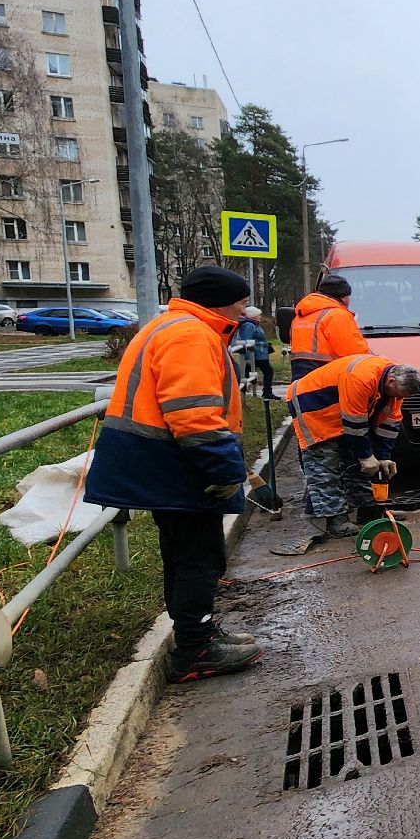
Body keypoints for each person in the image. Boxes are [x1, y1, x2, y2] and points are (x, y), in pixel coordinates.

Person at [85, 266, 265, 683]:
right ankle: (196, 650)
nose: (245, 309)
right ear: (220, 300)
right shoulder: (191, 335)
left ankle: (197, 633)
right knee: (197, 556)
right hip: (174, 463)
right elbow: (193, 414)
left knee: (187, 553)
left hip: (159, 460)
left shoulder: (171, 326)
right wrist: (223, 469)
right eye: (241, 300)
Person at [272, 354, 420, 556]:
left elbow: (389, 425)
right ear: (391, 380)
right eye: (396, 393)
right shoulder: (361, 377)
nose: (397, 398)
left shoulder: (395, 389)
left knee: (360, 465)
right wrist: (365, 455)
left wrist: (382, 456)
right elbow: (355, 423)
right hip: (314, 408)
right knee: (325, 466)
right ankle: (336, 521)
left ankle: (369, 511)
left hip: (343, 411)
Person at [288, 274, 369, 380]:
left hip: (299, 375)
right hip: (325, 377)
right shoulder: (337, 316)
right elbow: (356, 353)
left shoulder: (301, 315)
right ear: (343, 297)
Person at [232, 305, 279, 400]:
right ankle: (266, 392)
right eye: (258, 315)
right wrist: (248, 357)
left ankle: (239, 394)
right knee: (268, 372)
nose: (260, 317)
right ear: (253, 316)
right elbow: (246, 341)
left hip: (258, 354)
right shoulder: (249, 325)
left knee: (245, 375)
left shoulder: (253, 325)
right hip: (257, 354)